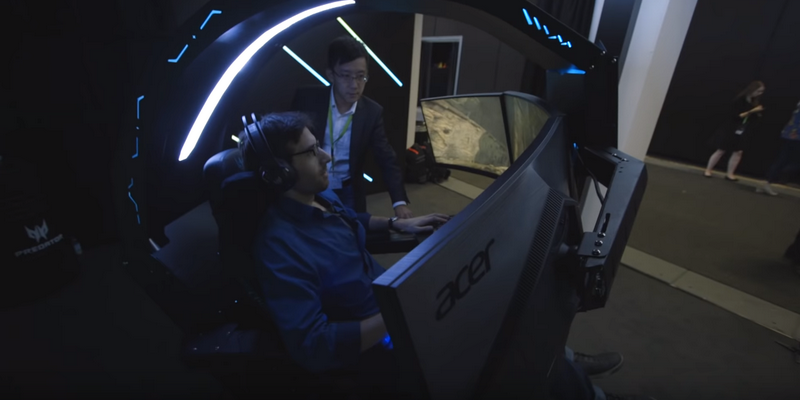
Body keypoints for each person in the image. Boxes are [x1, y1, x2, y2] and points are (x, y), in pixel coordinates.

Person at [241, 111, 654, 400]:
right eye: (311, 152)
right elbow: (312, 346)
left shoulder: (321, 198)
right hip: (379, 346)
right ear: (278, 172)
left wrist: (397, 224)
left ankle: (564, 362)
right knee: (509, 354)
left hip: (400, 311)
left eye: (319, 146)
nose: (326, 156)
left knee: (498, 301)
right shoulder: (279, 247)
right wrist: (397, 319)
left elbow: (353, 221)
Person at [290, 36, 412, 218]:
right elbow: (287, 144)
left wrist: (399, 202)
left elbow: (386, 158)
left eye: (361, 76)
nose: (354, 85)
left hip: (347, 190)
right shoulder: (307, 99)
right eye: (346, 76)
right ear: (331, 75)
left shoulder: (372, 112)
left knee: (352, 230)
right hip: (310, 185)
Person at [704, 81, 766, 181]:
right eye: (758, 91)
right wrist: (752, 111)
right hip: (731, 127)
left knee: (738, 152)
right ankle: (708, 169)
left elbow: (753, 117)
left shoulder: (754, 102)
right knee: (721, 150)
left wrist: (757, 114)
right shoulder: (740, 100)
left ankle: (730, 174)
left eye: (761, 92)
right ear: (752, 89)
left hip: (743, 128)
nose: (760, 93)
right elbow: (736, 115)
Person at [757, 100, 800, 196]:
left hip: (789, 134)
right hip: (796, 136)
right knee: (786, 160)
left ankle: (767, 181)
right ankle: (768, 180)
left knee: (782, 159)